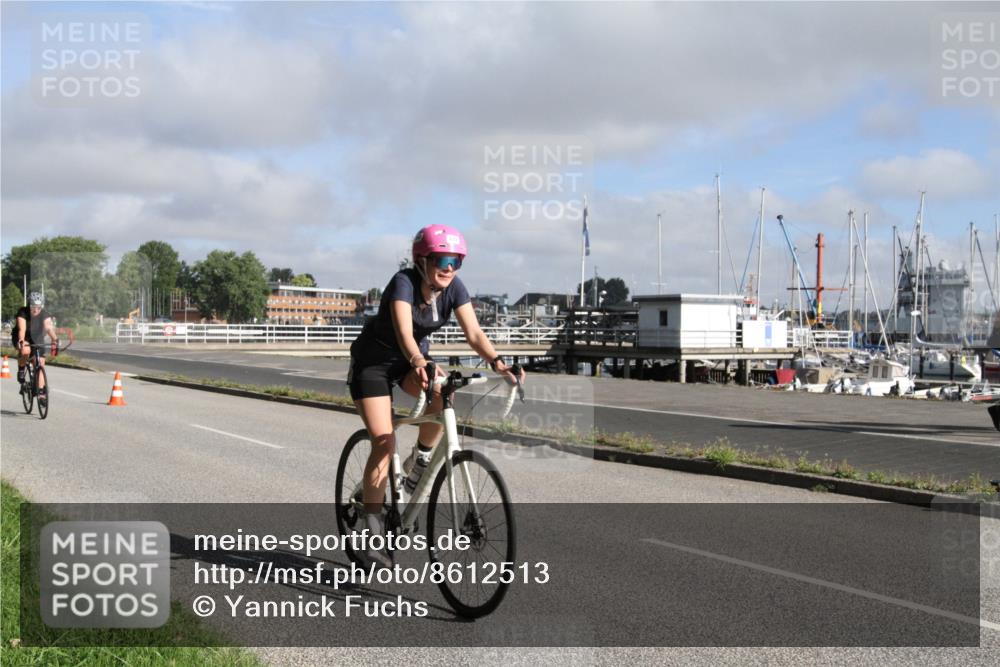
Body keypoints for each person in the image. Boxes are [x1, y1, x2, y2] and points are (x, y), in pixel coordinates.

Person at [348, 224, 525, 568]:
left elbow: (473, 332)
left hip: (414, 363)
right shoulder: (403, 282)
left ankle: (421, 460)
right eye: (443, 259)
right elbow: (403, 331)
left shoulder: (454, 287)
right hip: (374, 364)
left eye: (456, 261)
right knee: (384, 443)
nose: (449, 268)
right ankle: (372, 528)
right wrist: (418, 360)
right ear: (422, 259)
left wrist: (500, 365)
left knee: (443, 394)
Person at [12, 292, 59, 401]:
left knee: (40, 363)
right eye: (33, 307)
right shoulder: (23, 312)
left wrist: (55, 340)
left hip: (36, 338)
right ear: (29, 305)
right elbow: (22, 329)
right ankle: (21, 369)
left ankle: (41, 392)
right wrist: (22, 341)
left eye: (38, 307)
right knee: (26, 351)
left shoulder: (44, 314)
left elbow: (48, 328)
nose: (36, 310)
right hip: (23, 337)